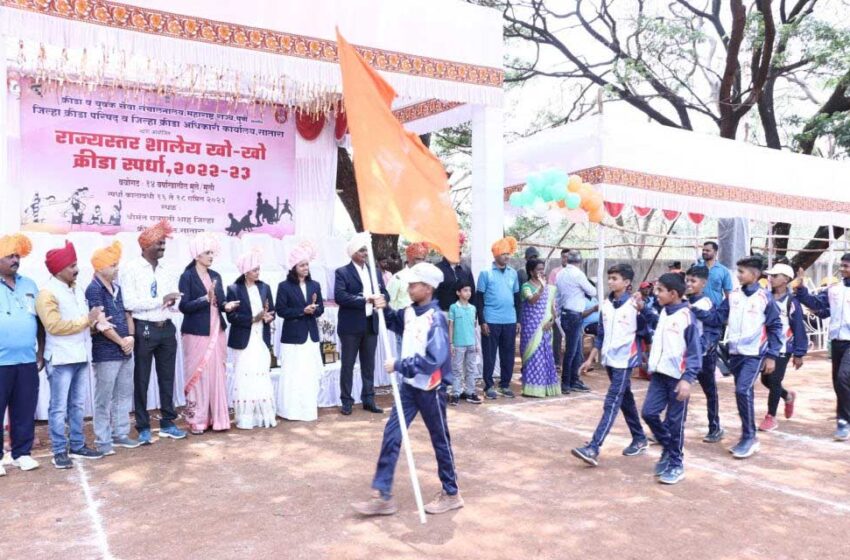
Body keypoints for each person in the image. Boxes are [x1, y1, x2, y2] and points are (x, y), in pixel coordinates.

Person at [351, 263, 463, 516]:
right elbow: (393, 321)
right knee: (392, 434)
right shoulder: (410, 312)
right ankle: (382, 495)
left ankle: (451, 492)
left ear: (428, 288)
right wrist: (384, 307)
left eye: (414, 285)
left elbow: (434, 359)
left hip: (430, 388)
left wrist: (400, 365)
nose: (409, 288)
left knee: (440, 440)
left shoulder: (437, 319)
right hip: (408, 388)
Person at [36, 241, 109, 468]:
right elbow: (54, 326)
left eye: (76, 264)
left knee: (77, 405)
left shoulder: (76, 287)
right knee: (58, 408)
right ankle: (59, 450)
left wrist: (96, 324)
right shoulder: (46, 294)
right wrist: (87, 320)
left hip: (79, 354)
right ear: (58, 269)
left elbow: (82, 320)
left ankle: (77, 445)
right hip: (59, 359)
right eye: (71, 266)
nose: (76, 270)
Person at [571, 264, 652, 467]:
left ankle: (594, 447)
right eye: (609, 278)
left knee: (612, 401)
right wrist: (591, 359)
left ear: (626, 283)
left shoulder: (635, 306)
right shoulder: (606, 305)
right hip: (609, 359)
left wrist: (647, 356)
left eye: (615, 278)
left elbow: (647, 332)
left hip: (626, 360)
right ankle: (640, 438)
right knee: (625, 399)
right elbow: (601, 334)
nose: (610, 282)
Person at [122, 220, 186, 444]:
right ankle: (143, 426)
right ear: (145, 246)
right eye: (158, 244)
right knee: (141, 379)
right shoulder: (130, 268)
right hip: (144, 328)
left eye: (163, 244)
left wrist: (175, 303)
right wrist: (161, 300)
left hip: (167, 327)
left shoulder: (168, 268)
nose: (162, 248)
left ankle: (169, 423)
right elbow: (129, 302)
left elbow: (171, 298)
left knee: (168, 378)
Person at [716, 256, 782, 459]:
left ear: (754, 275)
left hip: (754, 354)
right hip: (735, 353)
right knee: (745, 393)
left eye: (742, 271)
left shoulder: (764, 298)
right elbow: (718, 316)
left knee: (742, 390)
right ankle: (747, 434)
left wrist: (772, 355)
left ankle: (750, 437)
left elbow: (775, 326)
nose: (738, 275)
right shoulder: (734, 295)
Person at [640, 273, 703, 485]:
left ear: (673, 294)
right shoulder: (665, 311)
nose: (655, 294)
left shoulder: (687, 317)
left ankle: (676, 463)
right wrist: (643, 309)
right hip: (659, 375)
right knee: (648, 412)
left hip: (678, 379)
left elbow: (695, 353)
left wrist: (688, 378)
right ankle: (669, 448)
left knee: (676, 423)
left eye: (660, 290)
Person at [85, 241, 140, 456]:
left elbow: (128, 314)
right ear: (100, 268)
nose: (117, 269)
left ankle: (120, 434)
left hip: (125, 349)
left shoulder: (118, 288)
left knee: (124, 394)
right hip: (106, 352)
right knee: (104, 397)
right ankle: (103, 439)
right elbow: (100, 322)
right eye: (113, 265)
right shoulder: (93, 289)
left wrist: (132, 337)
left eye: (117, 264)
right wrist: (122, 341)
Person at [178, 233, 235, 434]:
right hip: (196, 333)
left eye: (212, 252)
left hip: (216, 330)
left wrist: (227, 305)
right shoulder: (187, 277)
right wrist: (204, 298)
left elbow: (221, 300)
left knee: (217, 374)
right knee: (198, 376)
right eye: (207, 253)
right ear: (197, 255)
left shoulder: (216, 276)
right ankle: (197, 420)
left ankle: (218, 419)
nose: (211, 256)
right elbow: (184, 306)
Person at [795, 254, 850, 441]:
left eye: (846, 266)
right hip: (836, 341)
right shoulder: (834, 289)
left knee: (844, 378)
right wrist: (801, 289)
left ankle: (843, 421)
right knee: (838, 381)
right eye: (841, 265)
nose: (843, 269)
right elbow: (817, 304)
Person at [0, 234, 43, 474]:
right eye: (10, 256)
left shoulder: (30, 285)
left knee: (24, 409)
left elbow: (41, 322)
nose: (16, 260)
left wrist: (41, 352)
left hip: (27, 360)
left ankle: (22, 453)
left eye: (17, 255)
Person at [334, 232, 389, 415]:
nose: (365, 253)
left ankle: (368, 399)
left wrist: (382, 299)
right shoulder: (342, 272)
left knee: (368, 365)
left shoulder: (374, 272)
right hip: (350, 326)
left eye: (366, 250)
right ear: (353, 253)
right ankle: (347, 401)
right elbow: (340, 296)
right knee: (348, 364)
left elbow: (384, 293)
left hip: (370, 323)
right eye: (362, 250)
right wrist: (366, 299)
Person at [226, 249, 277, 429]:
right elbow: (230, 317)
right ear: (245, 272)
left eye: (258, 269)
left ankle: (263, 416)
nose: (258, 272)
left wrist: (269, 317)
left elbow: (272, 310)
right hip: (243, 338)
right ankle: (246, 418)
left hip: (261, 337)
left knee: (261, 374)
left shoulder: (265, 287)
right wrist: (252, 319)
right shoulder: (233, 289)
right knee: (245, 376)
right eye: (254, 269)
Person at [275, 242, 325, 422]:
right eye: (302, 265)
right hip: (293, 336)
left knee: (308, 374)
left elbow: (321, 309)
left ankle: (308, 410)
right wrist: (301, 311)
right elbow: (281, 310)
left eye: (307, 265)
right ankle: (289, 411)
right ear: (294, 267)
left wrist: (313, 310)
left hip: (311, 336)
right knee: (292, 375)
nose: (305, 268)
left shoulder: (315, 285)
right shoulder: (284, 286)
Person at [759, 263, 807, 432]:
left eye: (775, 275)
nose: (770, 278)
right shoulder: (765, 296)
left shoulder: (791, 301)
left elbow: (798, 327)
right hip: (765, 346)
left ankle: (770, 417)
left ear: (786, 279)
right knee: (765, 379)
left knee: (774, 380)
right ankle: (787, 396)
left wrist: (799, 353)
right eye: (770, 275)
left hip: (783, 347)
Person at [684, 265, 725, 443]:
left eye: (693, 281)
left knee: (710, 391)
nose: (689, 284)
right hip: (685, 354)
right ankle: (671, 427)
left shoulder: (705, 303)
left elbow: (713, 328)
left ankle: (714, 427)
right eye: (687, 280)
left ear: (704, 283)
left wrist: (703, 349)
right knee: (677, 390)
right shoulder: (682, 300)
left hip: (704, 355)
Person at [477, 236, 521, 400]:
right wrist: (482, 321)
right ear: (495, 255)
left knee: (508, 354)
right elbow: (479, 298)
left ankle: (505, 385)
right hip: (491, 320)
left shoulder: (513, 273)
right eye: (503, 254)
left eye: (508, 254)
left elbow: (517, 298)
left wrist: (518, 320)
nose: (507, 257)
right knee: (489, 355)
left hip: (509, 320)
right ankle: (488, 386)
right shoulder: (485, 274)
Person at [555, 250, 596, 394]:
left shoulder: (560, 274)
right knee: (572, 351)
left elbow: (558, 296)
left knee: (576, 349)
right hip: (574, 315)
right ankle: (566, 382)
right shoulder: (578, 274)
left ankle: (574, 380)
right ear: (579, 261)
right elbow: (592, 291)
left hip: (565, 313)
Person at [519, 259, 559, 397]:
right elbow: (532, 300)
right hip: (531, 328)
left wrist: (552, 321)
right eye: (538, 269)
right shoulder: (526, 286)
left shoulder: (551, 288)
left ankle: (545, 388)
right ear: (531, 272)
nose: (541, 271)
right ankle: (531, 389)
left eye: (543, 269)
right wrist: (542, 287)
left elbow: (554, 309)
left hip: (546, 326)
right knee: (534, 356)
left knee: (545, 356)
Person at [449, 280, 481, 405]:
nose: (468, 293)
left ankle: (470, 392)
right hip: (458, 344)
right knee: (457, 369)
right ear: (458, 292)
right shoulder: (454, 307)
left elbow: (473, 327)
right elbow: (451, 326)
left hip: (471, 343)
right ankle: (456, 393)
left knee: (471, 369)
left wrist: (476, 343)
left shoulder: (473, 308)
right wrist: (451, 343)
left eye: (470, 290)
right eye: (465, 290)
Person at [435, 232, 475, 313]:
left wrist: (473, 314)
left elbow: (473, 292)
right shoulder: (437, 269)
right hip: (444, 313)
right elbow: (432, 295)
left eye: (460, 249)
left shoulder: (465, 269)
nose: (459, 252)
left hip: (464, 313)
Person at [387, 242, 429, 311]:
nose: (422, 262)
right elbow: (389, 301)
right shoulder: (398, 277)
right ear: (409, 258)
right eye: (419, 258)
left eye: (424, 259)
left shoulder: (425, 277)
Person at [548, 249, 570, 369]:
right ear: (561, 258)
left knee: (573, 337)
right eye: (564, 257)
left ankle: (571, 364)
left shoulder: (576, 273)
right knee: (557, 337)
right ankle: (556, 362)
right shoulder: (555, 272)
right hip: (558, 309)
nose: (565, 259)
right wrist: (553, 309)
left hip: (571, 309)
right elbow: (551, 292)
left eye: (568, 256)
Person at [700, 241, 733, 307]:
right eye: (703, 250)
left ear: (715, 252)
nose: (704, 252)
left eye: (707, 250)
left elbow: (728, 293)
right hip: (698, 309)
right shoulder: (696, 268)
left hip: (716, 310)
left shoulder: (723, 271)